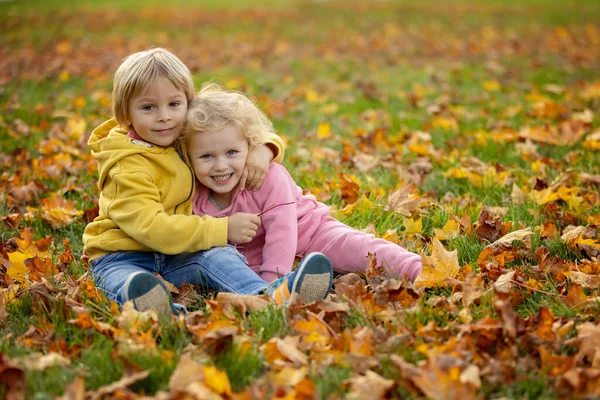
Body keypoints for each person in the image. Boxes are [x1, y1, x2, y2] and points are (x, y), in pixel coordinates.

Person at [82, 48, 334, 316]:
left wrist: (265, 149)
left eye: (174, 104)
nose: (164, 116)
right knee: (128, 282)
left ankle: (267, 296)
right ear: (126, 114)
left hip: (176, 254)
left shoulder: (175, 134)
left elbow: (232, 126)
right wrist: (222, 229)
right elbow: (152, 228)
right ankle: (159, 313)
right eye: (148, 107)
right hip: (122, 254)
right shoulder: (127, 164)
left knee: (219, 256)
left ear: (188, 105)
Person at [184, 83, 423, 284]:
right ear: (188, 157)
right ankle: (306, 278)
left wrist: (272, 284)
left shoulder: (268, 177)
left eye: (231, 152)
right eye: (206, 156)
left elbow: (282, 232)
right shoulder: (193, 193)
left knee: (361, 249)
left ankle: (418, 271)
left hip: (309, 232)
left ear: (251, 145)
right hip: (254, 257)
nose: (221, 166)